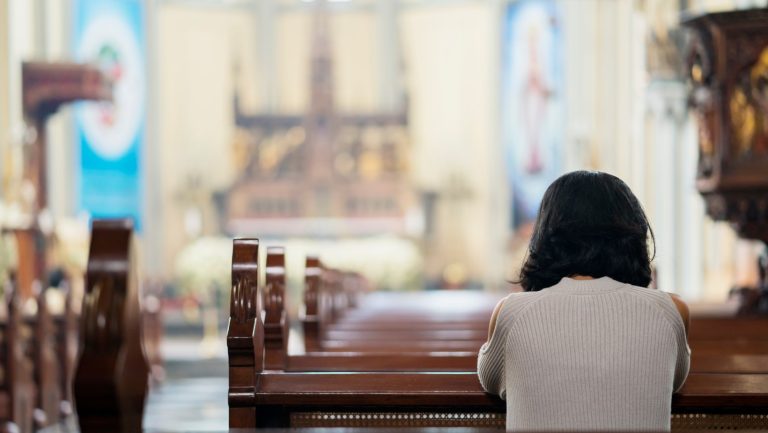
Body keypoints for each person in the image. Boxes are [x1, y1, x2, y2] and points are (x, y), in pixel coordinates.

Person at [477, 170, 690, 431]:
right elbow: (673, 381)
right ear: (632, 235)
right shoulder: (671, 311)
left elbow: (490, 381)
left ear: (546, 236)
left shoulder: (511, 313)